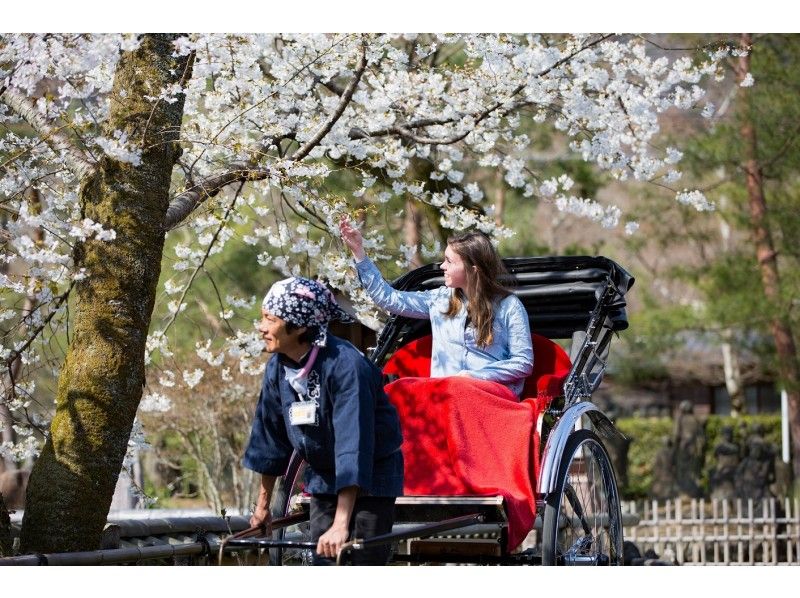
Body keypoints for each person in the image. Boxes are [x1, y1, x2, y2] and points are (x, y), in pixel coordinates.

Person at [243, 276, 404, 565]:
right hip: (324, 474)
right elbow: (269, 440)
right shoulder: (277, 367)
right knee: (323, 563)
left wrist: (341, 523)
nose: (261, 327)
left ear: (300, 326)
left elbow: (352, 445)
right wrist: (263, 507)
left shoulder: (346, 366)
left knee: (361, 561)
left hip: (372, 471)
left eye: (270, 319)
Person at [339, 219, 533, 397]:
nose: (442, 266)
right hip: (445, 396)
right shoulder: (439, 299)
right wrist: (359, 253)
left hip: (489, 395)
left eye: (449, 261)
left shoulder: (509, 306)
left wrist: (474, 376)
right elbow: (389, 299)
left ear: (473, 269)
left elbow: (523, 363)